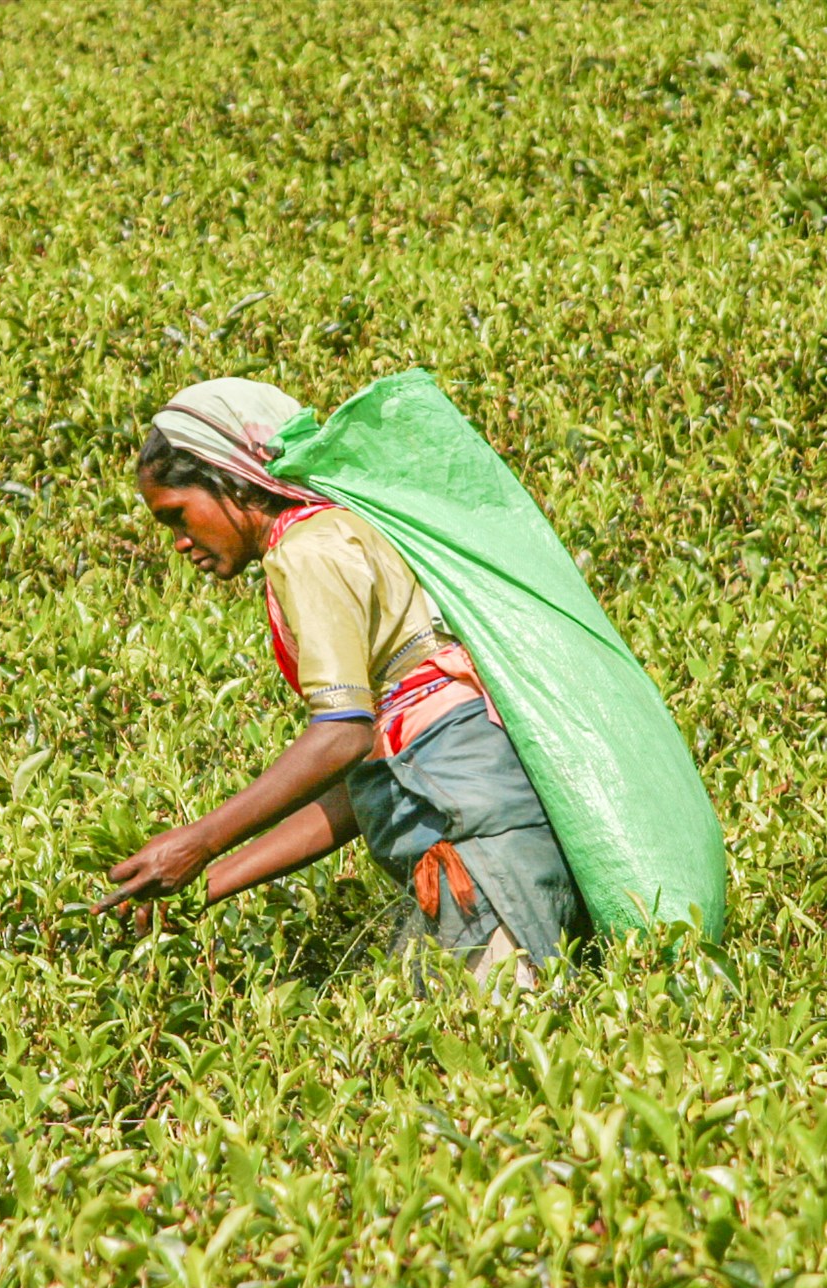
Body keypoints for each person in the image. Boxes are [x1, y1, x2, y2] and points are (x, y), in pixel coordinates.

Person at [98, 378, 589, 986]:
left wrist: (198, 841)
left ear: (229, 477)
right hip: (477, 846)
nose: (178, 542)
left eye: (177, 514)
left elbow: (343, 738)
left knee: (501, 1047)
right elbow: (359, 788)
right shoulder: (331, 535)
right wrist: (207, 884)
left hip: (481, 853)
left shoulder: (308, 551)